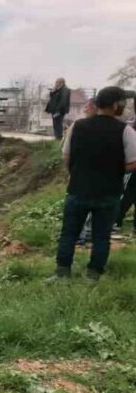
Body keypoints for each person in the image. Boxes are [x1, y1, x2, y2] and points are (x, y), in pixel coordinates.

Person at [54, 87, 136, 280]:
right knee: (101, 237)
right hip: (108, 193)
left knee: (69, 233)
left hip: (78, 190)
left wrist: (77, 173)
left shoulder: (77, 126)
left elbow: (66, 156)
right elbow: (133, 163)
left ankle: (62, 272)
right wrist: (115, 169)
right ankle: (93, 274)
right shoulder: (125, 131)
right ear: (116, 105)